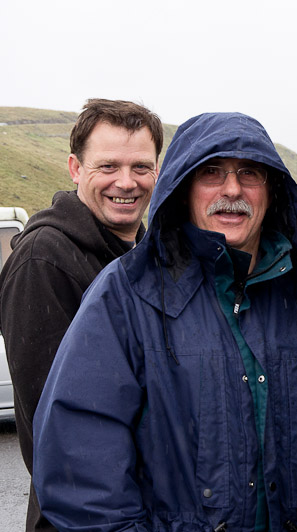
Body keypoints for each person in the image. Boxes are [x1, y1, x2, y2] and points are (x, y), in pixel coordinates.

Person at [33, 113, 297, 532]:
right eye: (211, 172)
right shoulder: (124, 296)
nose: (232, 189)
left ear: (272, 188)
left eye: (249, 173)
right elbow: (82, 470)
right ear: (184, 188)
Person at [0, 98, 163, 532]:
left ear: (158, 172)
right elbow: (56, 434)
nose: (126, 182)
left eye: (141, 167)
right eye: (107, 166)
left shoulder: (147, 260)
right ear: (76, 169)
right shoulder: (43, 260)